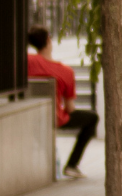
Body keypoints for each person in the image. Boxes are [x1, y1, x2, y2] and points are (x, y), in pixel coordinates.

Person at [27, 26, 98, 179]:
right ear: (48, 41)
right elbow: (70, 108)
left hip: (28, 114)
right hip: (54, 117)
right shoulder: (65, 71)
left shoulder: (27, 61)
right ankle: (72, 165)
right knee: (92, 118)